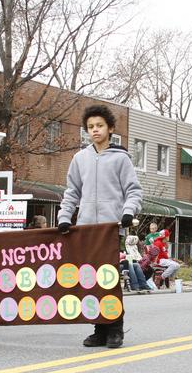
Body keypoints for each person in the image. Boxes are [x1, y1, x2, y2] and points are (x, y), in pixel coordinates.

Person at [57, 104, 143, 348]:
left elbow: (133, 191)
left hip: (110, 227)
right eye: (90, 127)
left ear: (110, 128)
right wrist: (65, 217)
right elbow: (72, 191)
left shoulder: (120, 158)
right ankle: (99, 329)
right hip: (86, 229)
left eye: (99, 126)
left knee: (109, 278)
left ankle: (115, 329)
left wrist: (127, 212)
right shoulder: (80, 158)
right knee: (90, 279)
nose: (95, 130)